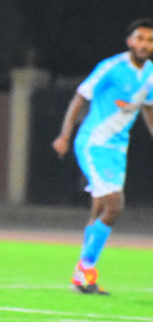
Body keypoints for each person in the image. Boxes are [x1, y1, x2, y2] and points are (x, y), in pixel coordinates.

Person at [52, 17, 153, 295]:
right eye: (140, 38)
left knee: (100, 209)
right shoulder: (111, 67)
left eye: (149, 40)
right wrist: (64, 135)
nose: (144, 44)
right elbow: (80, 97)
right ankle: (85, 269)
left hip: (118, 150)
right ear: (130, 41)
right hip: (94, 143)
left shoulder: (150, 74)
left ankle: (82, 277)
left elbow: (148, 108)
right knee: (114, 205)